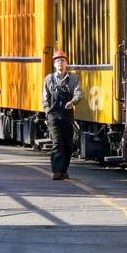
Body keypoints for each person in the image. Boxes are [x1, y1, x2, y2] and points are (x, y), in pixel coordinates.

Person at [43, 50, 83, 181]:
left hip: (67, 115)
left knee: (68, 144)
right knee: (57, 143)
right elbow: (45, 97)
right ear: (54, 64)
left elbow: (78, 93)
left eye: (62, 60)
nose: (60, 63)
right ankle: (56, 171)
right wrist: (47, 111)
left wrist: (73, 102)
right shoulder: (49, 79)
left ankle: (64, 170)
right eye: (57, 61)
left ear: (67, 63)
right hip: (53, 115)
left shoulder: (73, 79)